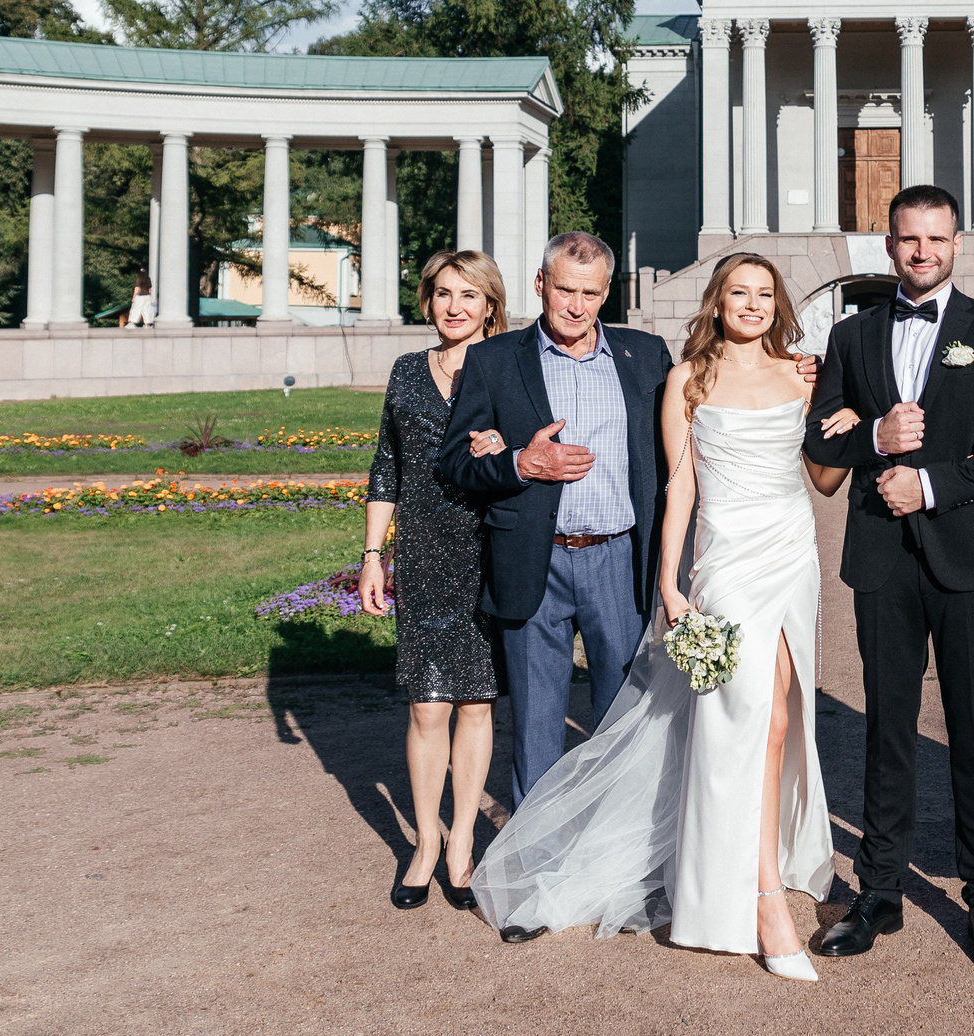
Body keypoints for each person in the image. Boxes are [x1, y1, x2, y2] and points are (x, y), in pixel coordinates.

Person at [468, 255, 850, 980]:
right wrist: (672, 587)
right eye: (739, 291)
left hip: (792, 558)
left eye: (765, 293)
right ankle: (761, 899)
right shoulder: (686, 379)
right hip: (730, 563)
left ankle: (752, 872)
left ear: (778, 305)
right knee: (745, 720)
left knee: (779, 720)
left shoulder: (800, 375)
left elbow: (824, 474)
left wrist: (852, 416)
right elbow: (678, 490)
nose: (752, 303)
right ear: (718, 300)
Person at [803, 184, 974, 972]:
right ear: (889, 244)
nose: (922, 252)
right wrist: (875, 436)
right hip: (881, 555)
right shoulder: (851, 334)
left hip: (971, 554)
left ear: (956, 243)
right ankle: (879, 891)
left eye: (936, 239)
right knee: (887, 725)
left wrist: (933, 482)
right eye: (909, 239)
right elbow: (822, 437)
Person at [436, 231, 672, 913]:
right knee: (537, 729)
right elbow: (455, 461)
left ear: (608, 292)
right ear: (540, 283)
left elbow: (700, 413)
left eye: (591, 292)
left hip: (619, 560)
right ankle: (530, 886)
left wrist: (794, 373)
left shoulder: (645, 355)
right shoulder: (493, 359)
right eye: (564, 288)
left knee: (621, 725)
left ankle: (621, 878)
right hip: (531, 560)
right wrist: (519, 464)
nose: (576, 304)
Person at [356, 249, 510, 912]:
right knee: (427, 704)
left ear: (489, 305)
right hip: (421, 550)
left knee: (476, 701)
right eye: (444, 293)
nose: (455, 306)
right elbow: (385, 468)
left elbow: (534, 447)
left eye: (469, 295)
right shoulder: (406, 371)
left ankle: (461, 844)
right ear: (428, 300)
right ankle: (423, 842)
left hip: (486, 545)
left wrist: (505, 444)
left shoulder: (508, 368)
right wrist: (371, 553)